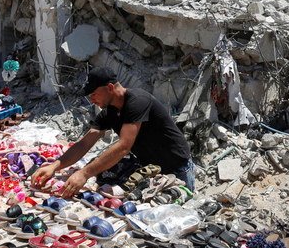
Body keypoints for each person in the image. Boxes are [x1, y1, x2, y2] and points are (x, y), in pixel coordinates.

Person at [31, 67, 195, 197]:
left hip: (176, 168)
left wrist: (84, 173)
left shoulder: (137, 101)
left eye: (94, 94)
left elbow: (124, 146)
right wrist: (55, 166)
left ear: (110, 87)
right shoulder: (109, 112)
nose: (92, 99)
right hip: (152, 169)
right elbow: (84, 143)